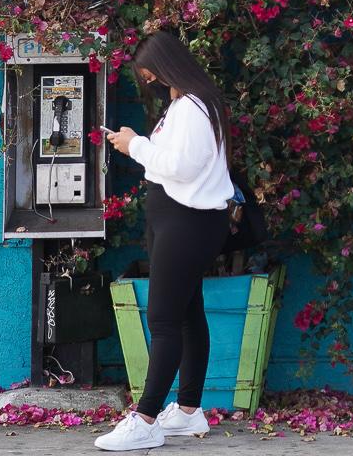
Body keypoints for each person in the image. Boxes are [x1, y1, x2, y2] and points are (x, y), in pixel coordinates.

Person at [96, 30, 236, 451]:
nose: (150, 81)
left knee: (162, 320)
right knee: (188, 314)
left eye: (150, 74)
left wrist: (133, 144)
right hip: (181, 220)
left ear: (165, 66)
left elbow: (182, 167)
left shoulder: (193, 107)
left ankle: (146, 418)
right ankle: (190, 412)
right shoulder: (187, 104)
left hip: (187, 221)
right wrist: (138, 142)